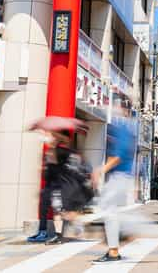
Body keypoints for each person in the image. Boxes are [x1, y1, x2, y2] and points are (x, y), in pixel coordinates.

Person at [28, 131, 92, 244]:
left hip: (66, 186)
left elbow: (55, 163)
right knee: (57, 211)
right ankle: (58, 236)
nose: (47, 138)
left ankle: (76, 224)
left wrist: (51, 149)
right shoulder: (59, 151)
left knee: (64, 212)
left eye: (50, 136)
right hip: (58, 186)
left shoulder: (61, 151)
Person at [92, 112, 137, 263]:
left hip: (119, 176)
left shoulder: (122, 131)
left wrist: (101, 170)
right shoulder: (124, 130)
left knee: (109, 211)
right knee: (108, 210)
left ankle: (114, 250)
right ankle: (121, 235)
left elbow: (117, 157)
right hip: (120, 177)